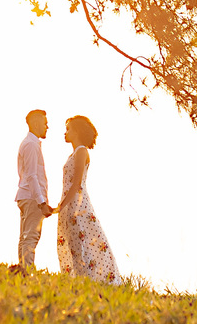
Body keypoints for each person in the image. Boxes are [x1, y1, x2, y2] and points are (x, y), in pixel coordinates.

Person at [56, 115, 122, 285]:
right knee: (74, 244)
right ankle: (79, 281)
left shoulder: (81, 151)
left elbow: (77, 182)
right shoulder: (75, 153)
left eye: (69, 129)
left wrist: (61, 206)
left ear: (77, 131)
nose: (65, 132)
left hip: (77, 205)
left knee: (82, 243)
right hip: (70, 203)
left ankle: (87, 281)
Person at [15, 109, 53, 269]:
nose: (47, 127)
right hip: (32, 199)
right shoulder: (31, 145)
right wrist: (41, 202)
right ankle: (26, 271)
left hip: (26, 196)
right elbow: (31, 176)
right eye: (45, 123)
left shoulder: (31, 143)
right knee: (31, 237)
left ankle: (22, 269)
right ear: (36, 123)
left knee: (25, 237)